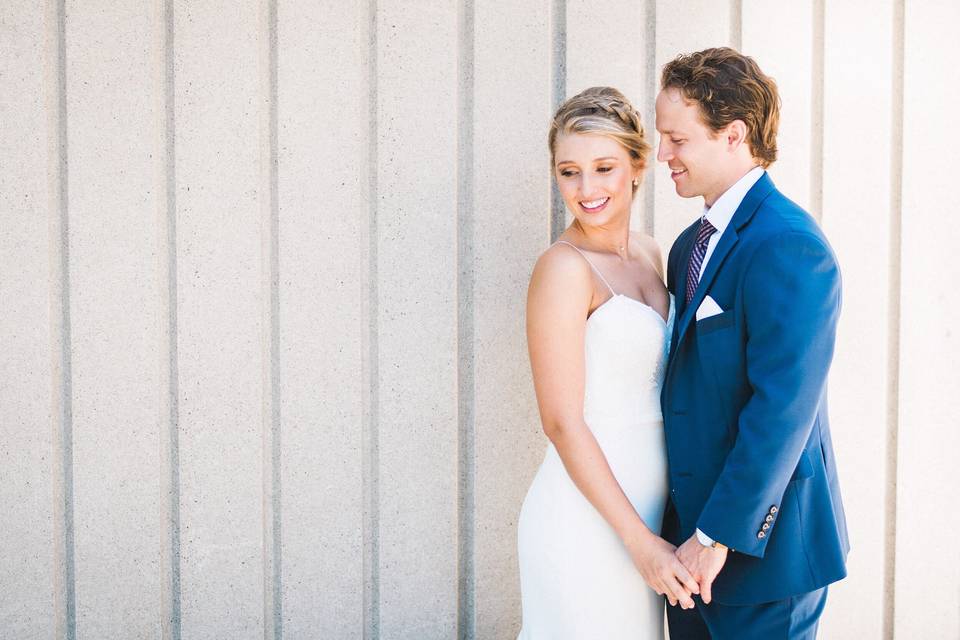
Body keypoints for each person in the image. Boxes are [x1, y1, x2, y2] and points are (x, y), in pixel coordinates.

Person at [655, 47, 849, 639]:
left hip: (765, 561)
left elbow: (782, 410)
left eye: (677, 139)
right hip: (685, 557)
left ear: (733, 134)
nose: (662, 153)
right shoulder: (689, 245)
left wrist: (715, 537)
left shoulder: (790, 245)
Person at [517, 86, 698, 639]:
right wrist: (639, 543)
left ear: (638, 165)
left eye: (603, 167)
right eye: (569, 172)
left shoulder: (651, 251)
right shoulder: (563, 269)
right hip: (587, 519)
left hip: (653, 514)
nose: (586, 189)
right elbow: (562, 423)